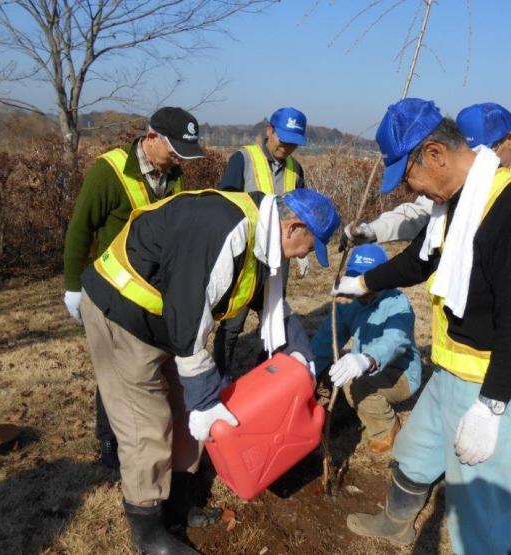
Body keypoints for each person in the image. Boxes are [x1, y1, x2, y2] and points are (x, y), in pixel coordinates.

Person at [333, 98, 511, 555]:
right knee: (414, 454)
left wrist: (490, 408)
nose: (409, 188)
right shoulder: (453, 206)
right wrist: (362, 283)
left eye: (409, 175)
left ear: (435, 154)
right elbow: (419, 261)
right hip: (452, 367)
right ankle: (396, 523)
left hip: (496, 381)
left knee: (477, 509)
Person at [80, 187, 339, 554]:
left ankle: (178, 505)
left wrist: (300, 358)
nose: (305, 259)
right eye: (310, 247)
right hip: (121, 311)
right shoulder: (223, 228)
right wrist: (203, 395)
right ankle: (148, 533)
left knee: (187, 415)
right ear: (293, 227)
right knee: (148, 425)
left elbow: (274, 307)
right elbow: (190, 316)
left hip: (164, 321)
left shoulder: (261, 237)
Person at [344, 102, 511, 357]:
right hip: (464, 333)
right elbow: (421, 215)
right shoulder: (462, 175)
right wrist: (375, 230)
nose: (482, 158)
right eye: (474, 150)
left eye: (491, 148)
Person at [62, 107, 204, 469]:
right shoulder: (107, 172)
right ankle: (107, 439)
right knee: (113, 368)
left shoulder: (173, 174)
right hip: (113, 288)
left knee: (149, 366)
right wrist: (72, 286)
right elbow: (80, 229)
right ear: (151, 137)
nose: (176, 161)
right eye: (173, 151)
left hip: (153, 291)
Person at [214, 107, 310, 377]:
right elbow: (225, 207)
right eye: (283, 138)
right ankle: (223, 375)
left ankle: (265, 370)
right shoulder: (243, 159)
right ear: (269, 130)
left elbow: (301, 212)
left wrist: (303, 252)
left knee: (272, 316)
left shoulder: (296, 169)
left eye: (294, 142)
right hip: (245, 256)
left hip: (279, 257)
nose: (287, 146)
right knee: (233, 321)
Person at [311, 244, 422, 455]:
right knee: (331, 370)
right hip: (363, 364)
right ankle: (339, 409)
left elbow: (395, 341)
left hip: (400, 373)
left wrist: (367, 359)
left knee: (358, 385)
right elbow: (327, 340)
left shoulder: (398, 304)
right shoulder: (352, 305)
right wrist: (310, 369)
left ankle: (385, 429)